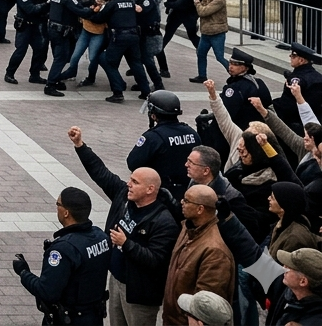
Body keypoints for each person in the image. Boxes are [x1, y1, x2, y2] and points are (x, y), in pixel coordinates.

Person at [68, 127, 175, 326]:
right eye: (130, 179)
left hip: (139, 292)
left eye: (135, 182)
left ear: (150, 189)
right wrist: (80, 146)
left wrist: (126, 244)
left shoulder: (163, 221)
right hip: (116, 280)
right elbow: (101, 173)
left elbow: (156, 260)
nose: (129, 184)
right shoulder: (123, 196)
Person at [13, 186, 110, 326]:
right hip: (94, 316)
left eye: (58, 204)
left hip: (69, 319)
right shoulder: (101, 237)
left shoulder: (63, 249)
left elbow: (47, 291)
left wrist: (24, 273)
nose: (56, 207)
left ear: (66, 213)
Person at [162, 185, 235, 326]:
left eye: (187, 200)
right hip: (171, 319)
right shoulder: (188, 228)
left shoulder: (215, 252)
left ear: (200, 209)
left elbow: (205, 307)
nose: (181, 202)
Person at [126, 90, 198, 210]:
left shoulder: (153, 137)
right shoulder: (191, 133)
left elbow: (132, 162)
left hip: (162, 195)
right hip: (189, 191)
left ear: (154, 115)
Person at [5, 0, 50, 85]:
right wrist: (46, 5)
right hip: (25, 27)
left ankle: (35, 75)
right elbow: (31, 10)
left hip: (36, 27)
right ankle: (9, 73)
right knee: (20, 51)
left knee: (40, 51)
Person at [192, 0, 228, 83]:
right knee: (201, 53)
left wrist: (197, 2)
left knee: (219, 57)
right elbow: (202, 8)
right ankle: (202, 75)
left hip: (217, 32)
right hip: (206, 32)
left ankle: (235, 74)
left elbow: (203, 12)